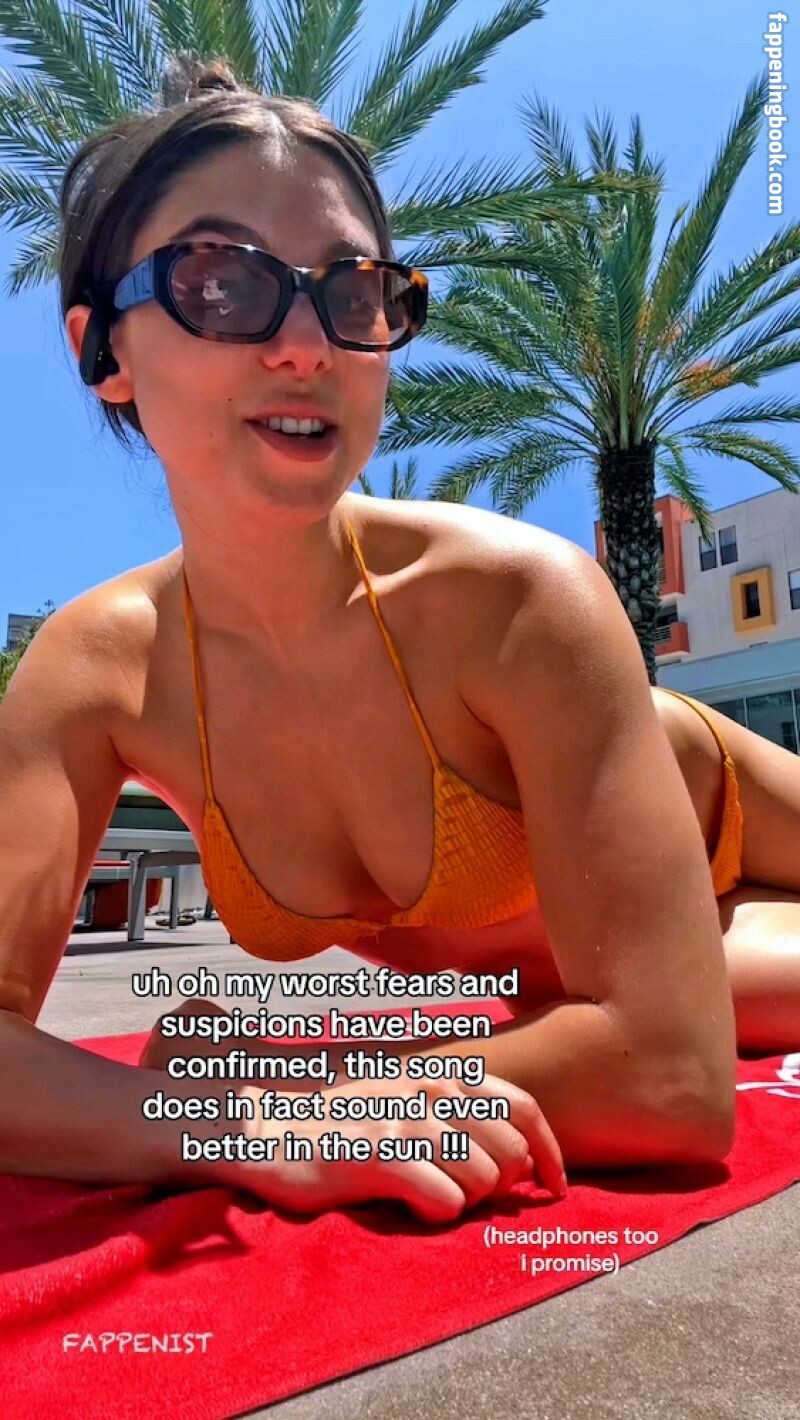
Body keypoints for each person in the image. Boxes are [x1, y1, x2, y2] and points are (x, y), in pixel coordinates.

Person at [2, 59, 800, 1225]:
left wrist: (285, 1085)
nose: (305, 345)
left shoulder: (511, 595)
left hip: (720, 810)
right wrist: (240, 1125)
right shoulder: (96, 674)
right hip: (565, 980)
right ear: (103, 351)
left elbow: (670, 1082)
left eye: (353, 291)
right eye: (220, 283)